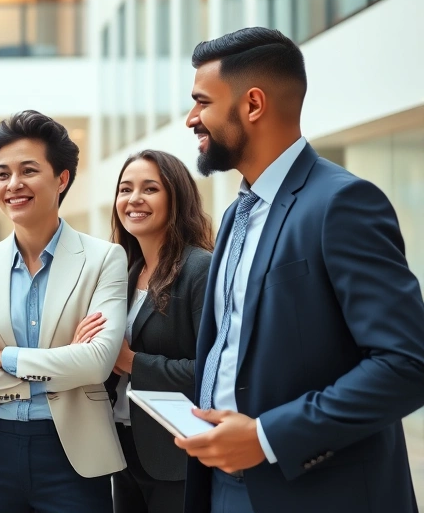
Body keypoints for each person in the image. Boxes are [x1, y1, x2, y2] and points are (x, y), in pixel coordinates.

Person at [175, 27, 424, 513]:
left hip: (317, 490)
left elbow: (407, 364)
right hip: (221, 485)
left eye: (201, 102)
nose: (191, 119)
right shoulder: (234, 215)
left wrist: (268, 437)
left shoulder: (343, 203)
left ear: (252, 105)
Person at [0, 110, 128, 513]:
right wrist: (54, 373)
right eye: (2, 173)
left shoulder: (103, 259)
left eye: (28, 170)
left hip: (73, 454)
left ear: (61, 179)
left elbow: (96, 363)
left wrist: (0, 358)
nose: (13, 185)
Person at [104, 150, 213, 513]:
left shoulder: (200, 269)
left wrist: (132, 361)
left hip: (176, 455)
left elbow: (211, 373)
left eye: (149, 188)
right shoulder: (125, 272)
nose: (133, 199)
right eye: (125, 189)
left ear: (176, 198)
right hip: (124, 446)